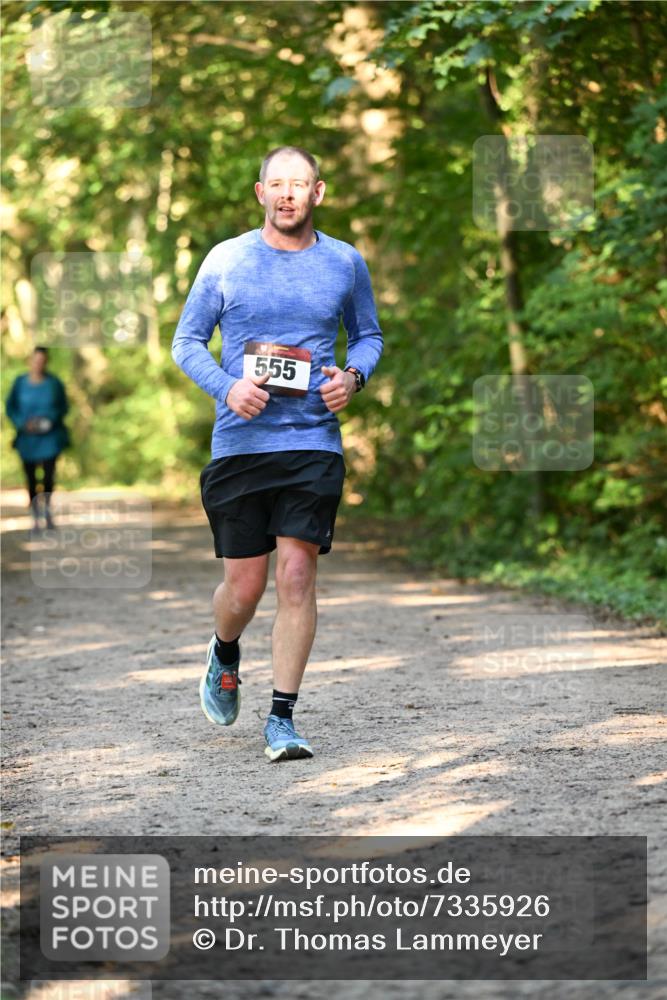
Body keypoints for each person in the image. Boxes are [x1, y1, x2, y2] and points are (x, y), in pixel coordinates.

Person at [171, 145, 383, 762]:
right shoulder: (226, 260)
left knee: (297, 573)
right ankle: (225, 649)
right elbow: (187, 342)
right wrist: (227, 387)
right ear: (260, 192)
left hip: (313, 440)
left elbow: (367, 335)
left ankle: (283, 718)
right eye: (277, 184)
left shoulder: (345, 263)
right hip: (241, 445)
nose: (288, 194)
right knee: (245, 586)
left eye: (301, 184)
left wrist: (354, 377)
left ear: (318, 193)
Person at [5, 346, 70, 531]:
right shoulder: (20, 383)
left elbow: (63, 407)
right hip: (27, 439)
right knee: (31, 479)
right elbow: (10, 408)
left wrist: (50, 420)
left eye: (43, 361)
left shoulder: (54, 383)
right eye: (36, 360)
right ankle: (35, 515)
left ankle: (47, 512)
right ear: (30, 361)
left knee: (48, 477)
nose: (39, 364)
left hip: (50, 438)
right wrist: (22, 424)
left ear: (46, 362)